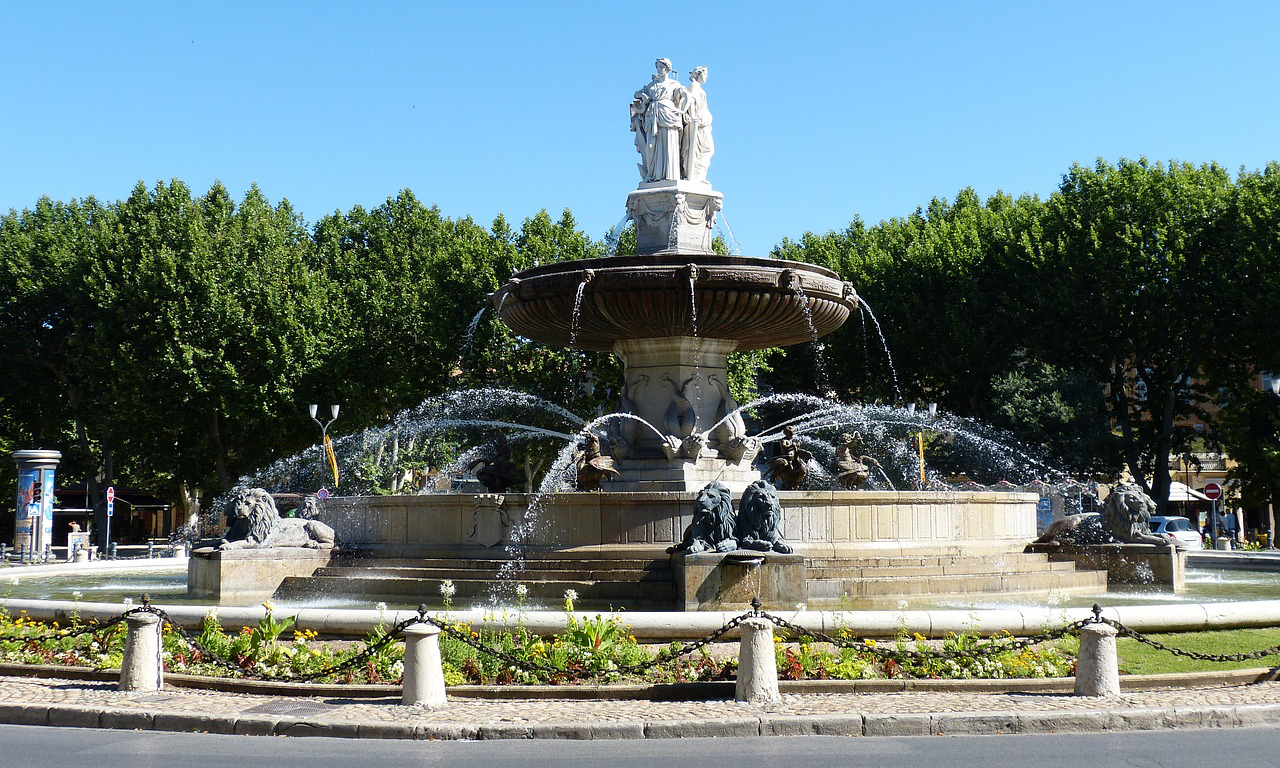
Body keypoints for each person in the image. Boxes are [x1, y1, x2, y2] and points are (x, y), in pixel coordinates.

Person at [630, 58, 687, 183]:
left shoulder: (674, 84)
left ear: (667, 69)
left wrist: (683, 110)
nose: (659, 69)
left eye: (661, 67)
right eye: (657, 67)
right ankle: (654, 174)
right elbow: (636, 94)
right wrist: (643, 95)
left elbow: (685, 97)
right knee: (651, 146)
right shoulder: (651, 85)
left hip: (669, 115)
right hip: (653, 117)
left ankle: (670, 175)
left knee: (669, 144)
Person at [681, 66, 714, 182]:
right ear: (699, 74)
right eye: (706, 74)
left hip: (703, 123)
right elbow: (690, 101)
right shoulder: (694, 87)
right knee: (705, 149)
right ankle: (696, 175)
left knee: (706, 149)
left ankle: (699, 175)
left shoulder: (697, 87)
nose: (707, 77)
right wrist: (694, 117)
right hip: (698, 123)